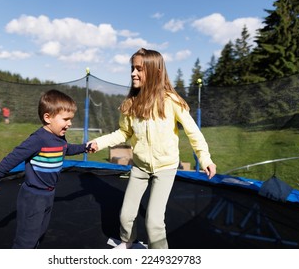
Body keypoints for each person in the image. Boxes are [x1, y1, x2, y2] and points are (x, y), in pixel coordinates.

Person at [89, 48, 217, 249]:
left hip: (166, 167)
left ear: (155, 72)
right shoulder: (130, 104)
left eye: (139, 69)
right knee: (126, 214)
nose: (133, 73)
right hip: (140, 166)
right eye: (132, 68)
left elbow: (193, 132)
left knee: (153, 221)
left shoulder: (171, 101)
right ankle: (127, 242)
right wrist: (100, 142)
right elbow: (123, 133)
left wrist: (205, 159)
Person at [0, 89, 92, 248]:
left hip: (49, 194)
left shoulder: (59, 138)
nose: (70, 123)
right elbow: (13, 158)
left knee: (39, 232)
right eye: (66, 119)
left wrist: (85, 148)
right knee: (26, 239)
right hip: (33, 196)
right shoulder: (38, 139)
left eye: (71, 119)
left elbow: (66, 149)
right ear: (48, 117)